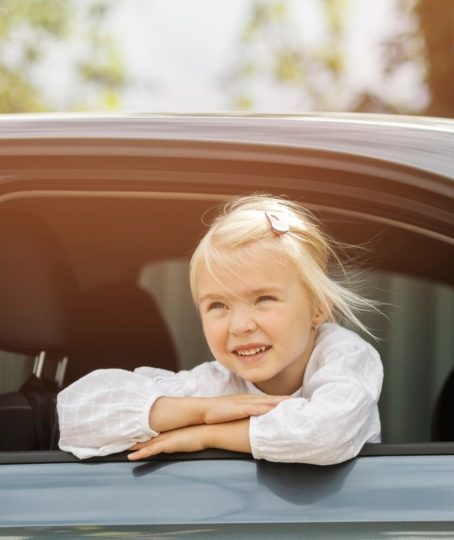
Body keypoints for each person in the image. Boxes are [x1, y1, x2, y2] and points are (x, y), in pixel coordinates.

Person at [57, 193, 382, 464]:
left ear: (318, 306)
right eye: (218, 306)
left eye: (264, 298)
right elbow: (78, 414)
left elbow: (323, 433)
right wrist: (201, 410)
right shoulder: (216, 384)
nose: (240, 326)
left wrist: (207, 434)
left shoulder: (346, 356)